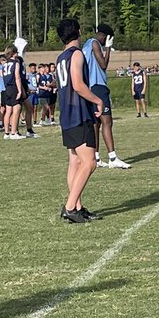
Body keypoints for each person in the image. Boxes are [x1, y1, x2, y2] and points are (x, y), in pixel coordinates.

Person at [55, 18, 104, 223]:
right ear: (78, 31)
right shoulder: (76, 54)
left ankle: (77, 207)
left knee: (75, 162)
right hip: (78, 114)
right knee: (89, 163)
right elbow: (77, 84)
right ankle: (69, 207)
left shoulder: (60, 57)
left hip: (67, 114)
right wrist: (97, 100)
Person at [83, 24, 130, 169]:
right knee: (107, 121)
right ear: (105, 36)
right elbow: (103, 65)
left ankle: (96, 157)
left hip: (90, 87)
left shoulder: (86, 44)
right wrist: (108, 49)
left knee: (96, 123)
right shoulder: (95, 43)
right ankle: (112, 157)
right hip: (98, 85)